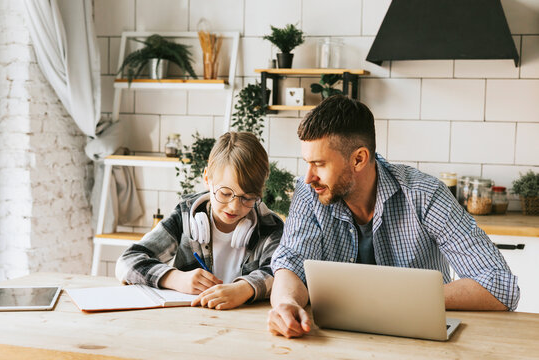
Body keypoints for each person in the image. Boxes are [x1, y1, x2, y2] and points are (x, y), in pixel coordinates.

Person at [267, 95, 519, 338]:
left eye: (319, 164)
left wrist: (399, 300)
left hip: (418, 338)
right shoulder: (310, 191)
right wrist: (285, 303)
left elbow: (500, 285)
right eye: (307, 163)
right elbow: (291, 261)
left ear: (359, 159)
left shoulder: (424, 194)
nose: (309, 176)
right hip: (337, 338)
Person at [116, 132, 283, 310]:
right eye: (225, 193)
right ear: (207, 179)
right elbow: (126, 262)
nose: (234, 206)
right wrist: (175, 278)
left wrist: (244, 288)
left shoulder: (270, 226)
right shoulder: (185, 217)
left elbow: (284, 273)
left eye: (248, 198)